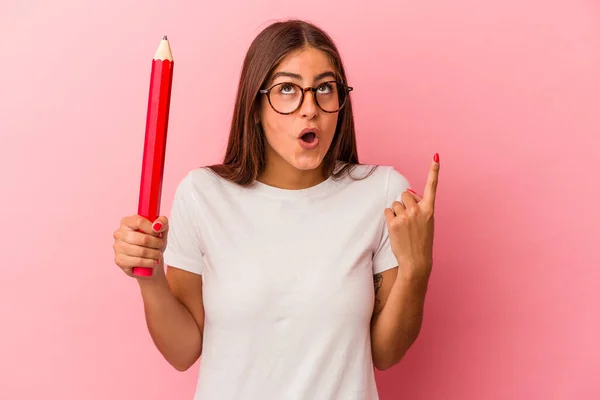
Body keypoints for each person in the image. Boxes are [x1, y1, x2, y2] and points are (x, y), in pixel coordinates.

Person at [113, 19, 439, 400]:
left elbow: (387, 353)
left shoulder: (382, 193)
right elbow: (183, 351)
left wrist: (417, 267)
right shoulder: (203, 195)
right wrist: (148, 275)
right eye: (287, 89)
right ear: (254, 106)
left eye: (324, 89)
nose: (310, 109)